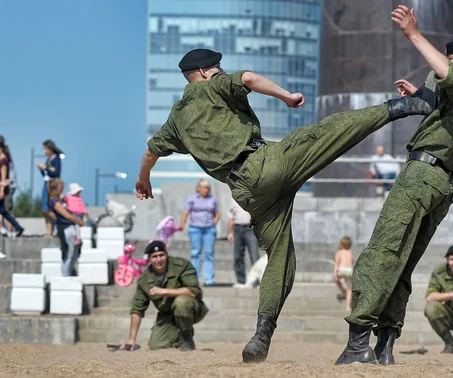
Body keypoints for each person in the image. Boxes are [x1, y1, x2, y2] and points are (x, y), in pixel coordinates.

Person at [134, 43, 432, 362]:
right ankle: (406, 107)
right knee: (327, 131)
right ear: (205, 73)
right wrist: (286, 95)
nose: (221, 72)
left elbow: (151, 151)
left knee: (279, 257)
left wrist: (144, 179)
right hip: (265, 164)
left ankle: (262, 336)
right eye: (217, 69)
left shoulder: (177, 118)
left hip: (247, 192)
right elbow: (247, 78)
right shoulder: (214, 85)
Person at [336, 6, 453, 365]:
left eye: (450, 61)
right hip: (442, 183)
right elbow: (445, 105)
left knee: (381, 254)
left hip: (421, 177)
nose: (444, 66)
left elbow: (451, 80)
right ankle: (386, 346)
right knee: (402, 263)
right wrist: (423, 96)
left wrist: (412, 33)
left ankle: (358, 344)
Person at [121, 241, 209, 351]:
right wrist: (132, 339)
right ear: (149, 258)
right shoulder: (144, 280)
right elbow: (137, 309)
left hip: (192, 309)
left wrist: (163, 291)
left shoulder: (181, 266)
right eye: (154, 257)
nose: (159, 260)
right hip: (167, 315)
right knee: (156, 345)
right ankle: (177, 336)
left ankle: (186, 336)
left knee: (181, 302)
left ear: (166, 254)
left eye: (161, 255)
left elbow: (193, 291)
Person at [178, 179, 220, 285]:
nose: (206, 190)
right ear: (198, 188)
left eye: (208, 188)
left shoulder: (212, 199)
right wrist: (182, 224)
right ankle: (195, 278)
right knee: (195, 253)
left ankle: (209, 279)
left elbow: (217, 213)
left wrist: (215, 221)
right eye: (204, 188)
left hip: (209, 229)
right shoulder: (192, 198)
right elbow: (186, 212)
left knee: (209, 253)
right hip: (195, 229)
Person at [47, 178, 85, 276]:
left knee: (74, 252)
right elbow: (66, 215)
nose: (62, 191)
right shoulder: (54, 202)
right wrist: (79, 221)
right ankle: (65, 273)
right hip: (65, 228)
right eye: (60, 189)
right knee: (69, 253)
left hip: (70, 227)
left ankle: (68, 272)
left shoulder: (60, 200)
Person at [228, 199, 260, 286]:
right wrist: (230, 232)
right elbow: (231, 217)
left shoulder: (252, 196)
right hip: (237, 228)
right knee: (238, 256)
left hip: (250, 228)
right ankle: (241, 280)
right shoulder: (234, 199)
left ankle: (257, 280)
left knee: (254, 255)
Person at [37, 140, 63, 238]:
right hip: (46, 183)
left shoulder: (56, 159)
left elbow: (56, 173)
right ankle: (49, 231)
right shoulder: (48, 159)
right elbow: (46, 174)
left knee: (49, 207)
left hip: (53, 185)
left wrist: (45, 168)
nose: (44, 151)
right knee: (45, 208)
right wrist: (42, 170)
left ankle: (60, 221)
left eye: (45, 149)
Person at [0, 141, 23, 238]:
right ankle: (17, 227)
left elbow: (4, 178)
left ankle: (7, 229)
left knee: (4, 210)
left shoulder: (3, 160)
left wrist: (1, 190)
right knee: (3, 211)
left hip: (1, 188)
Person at [334, 236, 354, 312]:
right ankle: (348, 307)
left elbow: (336, 264)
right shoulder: (350, 252)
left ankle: (343, 292)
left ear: (341, 244)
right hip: (349, 271)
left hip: (341, 271)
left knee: (337, 280)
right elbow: (352, 263)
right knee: (349, 289)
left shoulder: (339, 253)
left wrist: (335, 274)